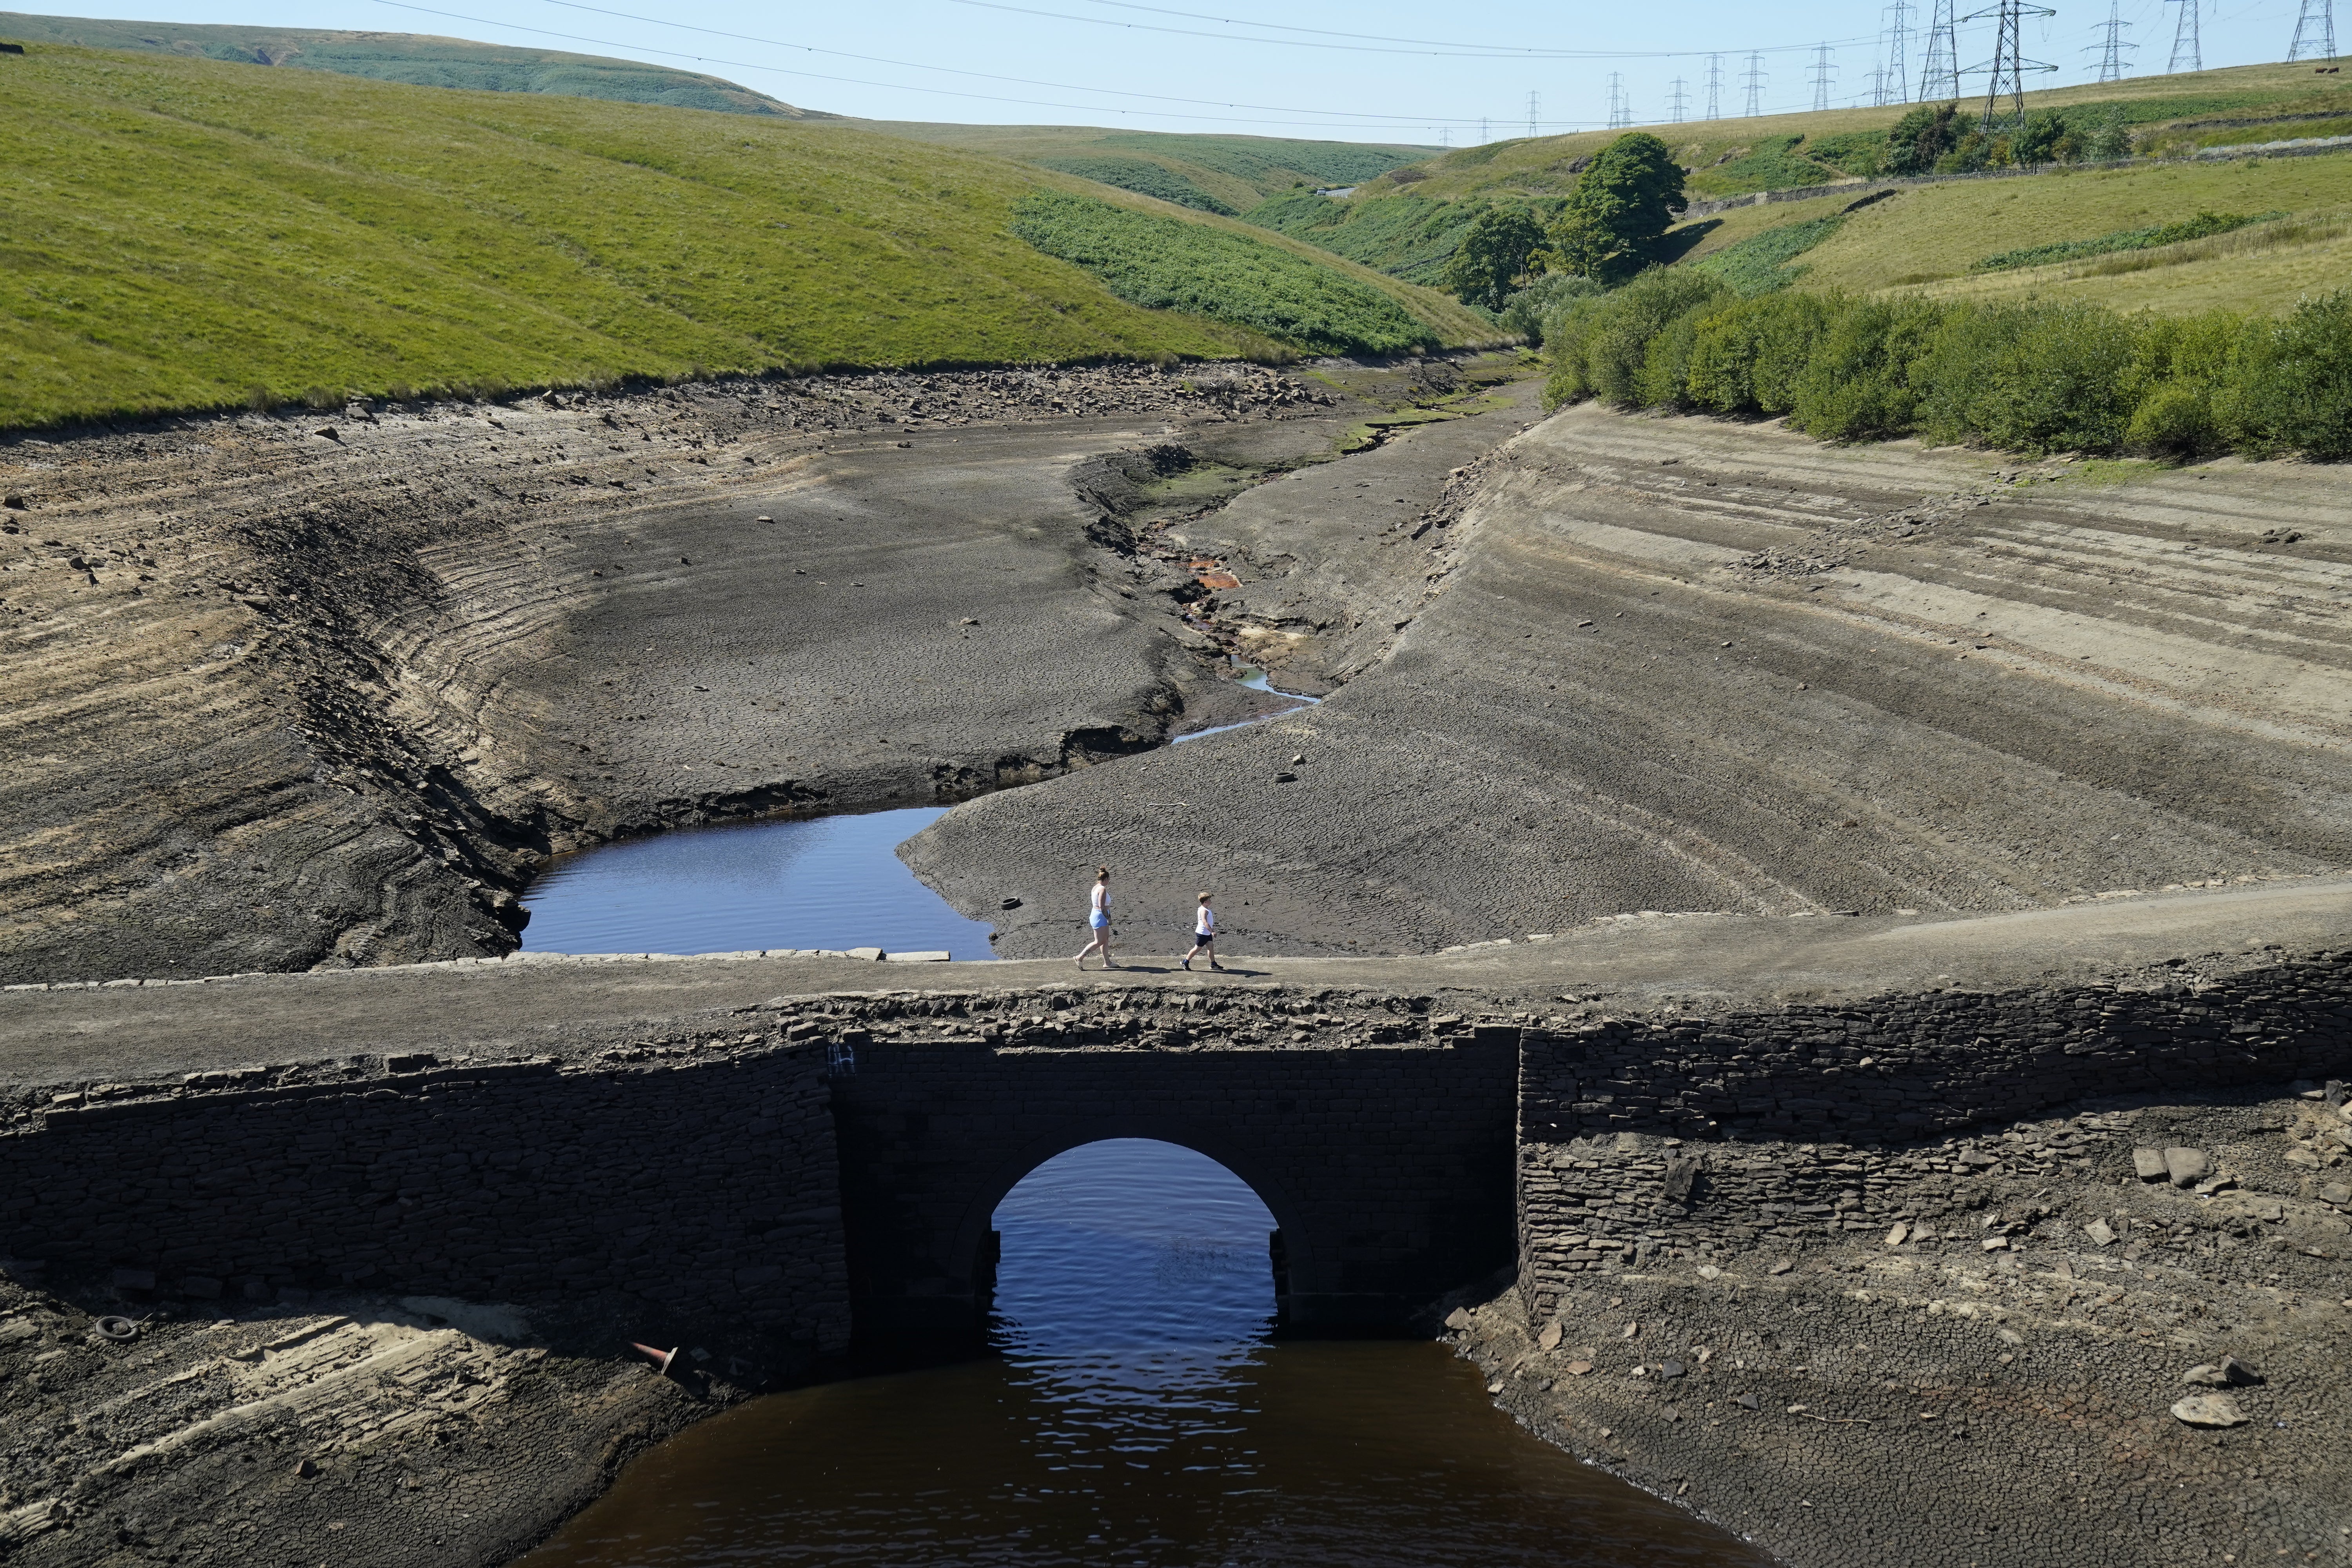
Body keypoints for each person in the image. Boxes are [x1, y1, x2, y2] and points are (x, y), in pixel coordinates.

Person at [1074, 866, 1116, 969]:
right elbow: (1102, 907)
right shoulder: (1102, 890)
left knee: (1105, 940)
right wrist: (1109, 919)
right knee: (1099, 941)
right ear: (1106, 879)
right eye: (1109, 880)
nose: (1109, 882)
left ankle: (1107, 962)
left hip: (1097, 915)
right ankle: (1080, 957)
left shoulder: (1096, 887)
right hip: (1100, 916)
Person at [1181, 891, 1224, 971]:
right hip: (1202, 933)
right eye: (1209, 900)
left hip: (1207, 933)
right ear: (1205, 902)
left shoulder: (1206, 909)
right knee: (1197, 949)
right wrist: (1212, 931)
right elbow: (1205, 922)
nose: (1211, 901)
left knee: (1211, 947)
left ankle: (1213, 964)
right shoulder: (1203, 911)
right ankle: (1185, 962)